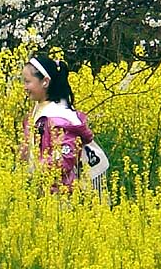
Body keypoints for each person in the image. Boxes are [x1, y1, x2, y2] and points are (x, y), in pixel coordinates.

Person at [21, 54, 108, 194]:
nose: (24, 87)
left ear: (45, 82)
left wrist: (37, 171)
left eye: (27, 82)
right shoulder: (40, 108)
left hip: (62, 194)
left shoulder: (59, 118)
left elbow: (64, 158)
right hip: (43, 189)